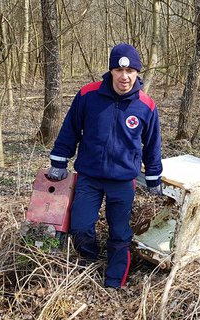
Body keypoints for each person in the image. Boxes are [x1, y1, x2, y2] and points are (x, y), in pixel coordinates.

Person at [46, 43, 163, 288]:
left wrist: (153, 177)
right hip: (89, 176)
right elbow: (70, 130)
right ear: (111, 70)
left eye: (130, 71)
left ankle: (113, 281)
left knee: (120, 234)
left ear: (137, 73)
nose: (124, 76)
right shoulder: (88, 95)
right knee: (80, 228)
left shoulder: (146, 106)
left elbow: (152, 145)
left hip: (122, 181)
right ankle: (89, 262)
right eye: (119, 70)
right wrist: (59, 160)